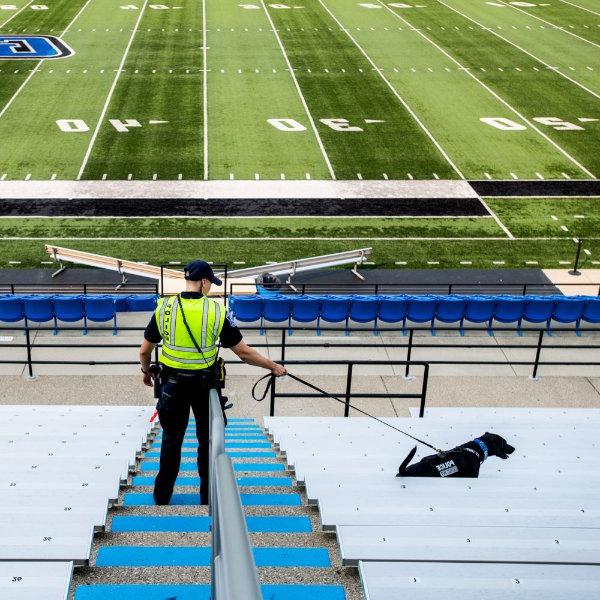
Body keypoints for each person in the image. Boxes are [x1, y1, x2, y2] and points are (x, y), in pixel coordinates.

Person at [139, 259, 287, 505]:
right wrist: (273, 367)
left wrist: (146, 371)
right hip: (204, 388)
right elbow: (244, 353)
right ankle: (207, 499)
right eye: (211, 284)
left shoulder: (164, 308)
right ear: (204, 282)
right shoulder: (217, 311)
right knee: (207, 444)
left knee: (171, 442)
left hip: (171, 387)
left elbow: (144, 351)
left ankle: (162, 496)